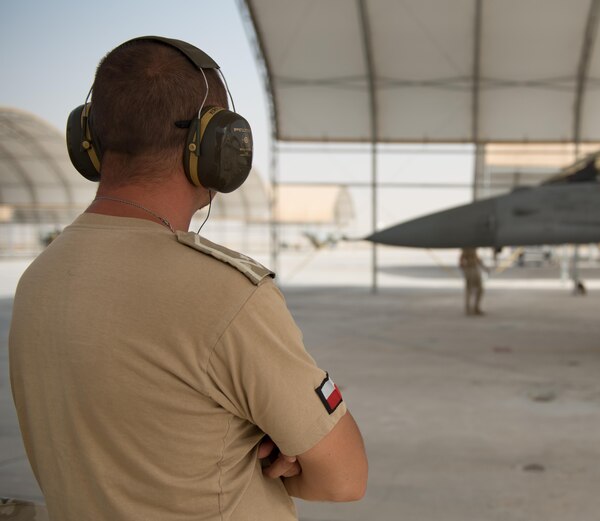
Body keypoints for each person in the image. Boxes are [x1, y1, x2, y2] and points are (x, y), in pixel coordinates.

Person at [9, 37, 367, 521]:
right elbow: (345, 478)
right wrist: (283, 453)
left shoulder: (39, 279)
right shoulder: (227, 295)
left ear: (88, 140)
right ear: (217, 143)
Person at [459, 247, 488, 315]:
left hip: (474, 268)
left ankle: (476, 307)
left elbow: (476, 258)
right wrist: (464, 268)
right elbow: (462, 258)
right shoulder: (467, 247)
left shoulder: (474, 247)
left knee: (480, 289)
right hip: (469, 269)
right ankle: (468, 308)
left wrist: (484, 267)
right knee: (469, 289)